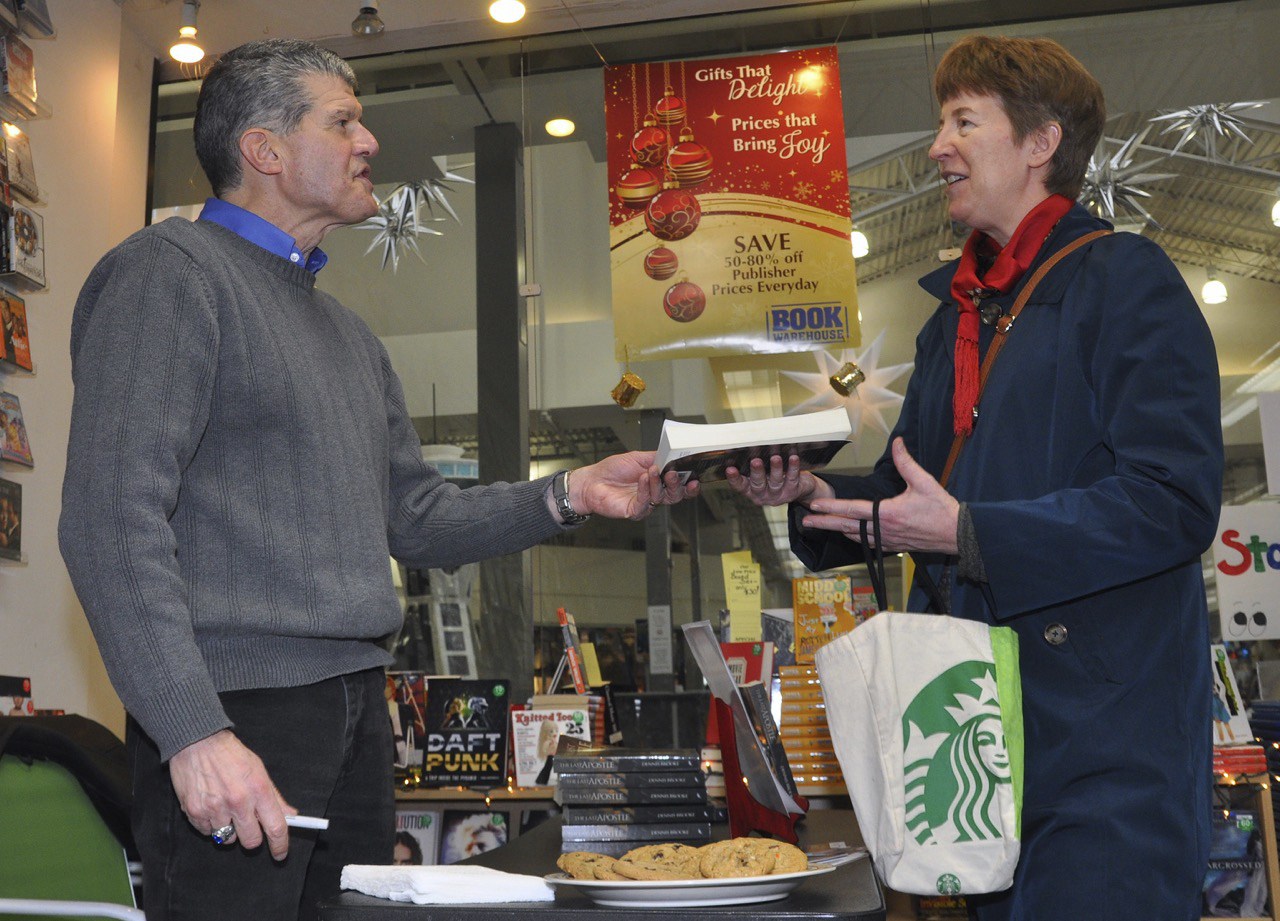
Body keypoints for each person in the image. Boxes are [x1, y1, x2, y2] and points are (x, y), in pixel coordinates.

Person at [59, 38, 695, 921]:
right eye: (343, 120)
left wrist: (569, 493)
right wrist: (194, 730)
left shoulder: (351, 337)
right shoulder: (168, 275)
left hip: (356, 715)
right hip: (238, 712)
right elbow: (108, 520)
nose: (370, 142)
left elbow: (419, 517)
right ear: (265, 150)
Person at [728, 35, 1222, 921]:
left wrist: (970, 534)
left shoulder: (1125, 280)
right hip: (976, 745)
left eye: (964, 121)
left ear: (1040, 142)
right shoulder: (954, 318)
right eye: (939, 122)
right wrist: (810, 498)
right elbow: (910, 487)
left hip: (1108, 751)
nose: (935, 147)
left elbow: (1174, 501)